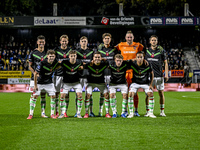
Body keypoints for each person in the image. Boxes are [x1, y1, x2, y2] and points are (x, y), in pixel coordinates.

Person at [116, 30, 144, 117]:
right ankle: (126, 110)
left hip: (134, 71)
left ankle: (136, 110)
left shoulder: (138, 45)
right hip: (124, 72)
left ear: (133, 38)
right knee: (126, 92)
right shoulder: (120, 45)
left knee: (134, 92)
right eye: (128, 37)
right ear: (125, 38)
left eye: (130, 37)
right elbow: (114, 50)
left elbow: (142, 54)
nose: (129, 38)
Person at [27, 50, 60, 119]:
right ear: (47, 56)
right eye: (50, 56)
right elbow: (35, 74)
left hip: (49, 82)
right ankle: (30, 114)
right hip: (40, 82)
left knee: (53, 96)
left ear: (55, 57)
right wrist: (35, 85)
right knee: (35, 96)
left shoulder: (55, 62)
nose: (51, 58)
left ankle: (52, 114)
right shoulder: (42, 63)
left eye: (53, 56)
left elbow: (59, 65)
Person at [145, 35, 168, 117]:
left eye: (155, 40)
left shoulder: (161, 51)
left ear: (157, 42)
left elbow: (165, 62)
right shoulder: (146, 51)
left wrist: (166, 73)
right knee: (148, 94)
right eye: (152, 40)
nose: (153, 41)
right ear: (150, 42)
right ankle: (148, 111)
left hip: (159, 76)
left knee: (161, 93)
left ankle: (162, 111)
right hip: (149, 76)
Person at [128, 51, 156, 118]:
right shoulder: (132, 64)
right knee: (131, 94)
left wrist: (151, 85)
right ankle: (131, 113)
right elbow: (124, 63)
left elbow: (152, 74)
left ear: (143, 58)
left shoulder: (147, 64)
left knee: (150, 94)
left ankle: (151, 113)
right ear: (136, 58)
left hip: (145, 83)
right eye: (138, 57)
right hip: (135, 83)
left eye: (141, 57)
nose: (140, 58)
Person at [98, 33, 119, 117]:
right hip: (102, 74)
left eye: (108, 38)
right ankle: (100, 111)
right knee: (102, 93)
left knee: (112, 94)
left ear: (110, 40)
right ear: (103, 40)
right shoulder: (99, 49)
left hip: (111, 74)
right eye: (105, 38)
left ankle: (112, 111)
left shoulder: (114, 50)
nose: (107, 40)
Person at [84, 51, 111, 118]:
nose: (97, 58)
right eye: (95, 57)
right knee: (87, 95)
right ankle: (87, 113)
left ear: (101, 58)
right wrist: (90, 62)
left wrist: (103, 59)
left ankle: (107, 113)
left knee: (107, 95)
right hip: (91, 83)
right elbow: (84, 65)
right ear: (93, 58)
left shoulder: (104, 64)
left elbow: (108, 62)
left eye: (99, 57)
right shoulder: (89, 65)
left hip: (101, 83)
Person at [58, 50, 84, 118]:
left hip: (76, 82)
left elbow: (83, 67)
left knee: (80, 95)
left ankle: (78, 113)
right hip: (66, 82)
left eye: (74, 56)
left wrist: (81, 68)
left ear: (76, 56)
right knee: (62, 96)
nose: (73, 57)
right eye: (71, 56)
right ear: (69, 56)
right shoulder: (64, 62)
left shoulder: (79, 62)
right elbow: (57, 64)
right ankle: (62, 113)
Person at [28, 35, 48, 118]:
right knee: (34, 95)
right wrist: (35, 73)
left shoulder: (47, 53)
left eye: (42, 42)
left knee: (43, 95)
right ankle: (31, 113)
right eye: (40, 42)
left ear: (44, 43)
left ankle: (43, 113)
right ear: (37, 42)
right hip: (34, 78)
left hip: (44, 78)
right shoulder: (33, 53)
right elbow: (30, 66)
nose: (41, 44)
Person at [54, 35, 72, 117]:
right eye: (63, 41)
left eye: (65, 41)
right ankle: (57, 111)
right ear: (60, 42)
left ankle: (65, 112)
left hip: (67, 75)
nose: (64, 43)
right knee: (57, 93)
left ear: (67, 42)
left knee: (67, 94)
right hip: (58, 75)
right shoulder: (56, 50)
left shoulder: (71, 51)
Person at [76, 36, 95, 117]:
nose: (84, 42)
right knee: (78, 95)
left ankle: (90, 112)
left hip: (88, 76)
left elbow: (93, 63)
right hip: (79, 76)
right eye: (82, 41)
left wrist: (83, 65)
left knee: (89, 95)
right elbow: (76, 63)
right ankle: (77, 112)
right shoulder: (77, 52)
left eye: (85, 41)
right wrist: (87, 64)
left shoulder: (91, 52)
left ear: (87, 42)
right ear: (80, 43)